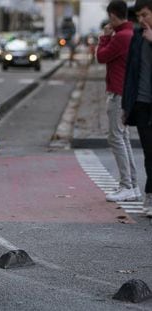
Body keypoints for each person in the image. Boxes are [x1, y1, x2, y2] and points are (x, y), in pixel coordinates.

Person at [96, 0, 141, 202]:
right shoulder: (129, 34)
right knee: (123, 138)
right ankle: (132, 184)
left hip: (118, 92)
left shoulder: (121, 37)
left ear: (113, 15)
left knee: (116, 138)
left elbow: (101, 56)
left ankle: (127, 185)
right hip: (124, 91)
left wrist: (104, 38)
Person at [122, 0, 152, 216]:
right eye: (139, 17)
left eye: (144, 15)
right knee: (149, 153)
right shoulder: (137, 38)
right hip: (142, 103)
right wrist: (126, 105)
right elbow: (130, 73)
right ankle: (150, 195)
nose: (141, 21)